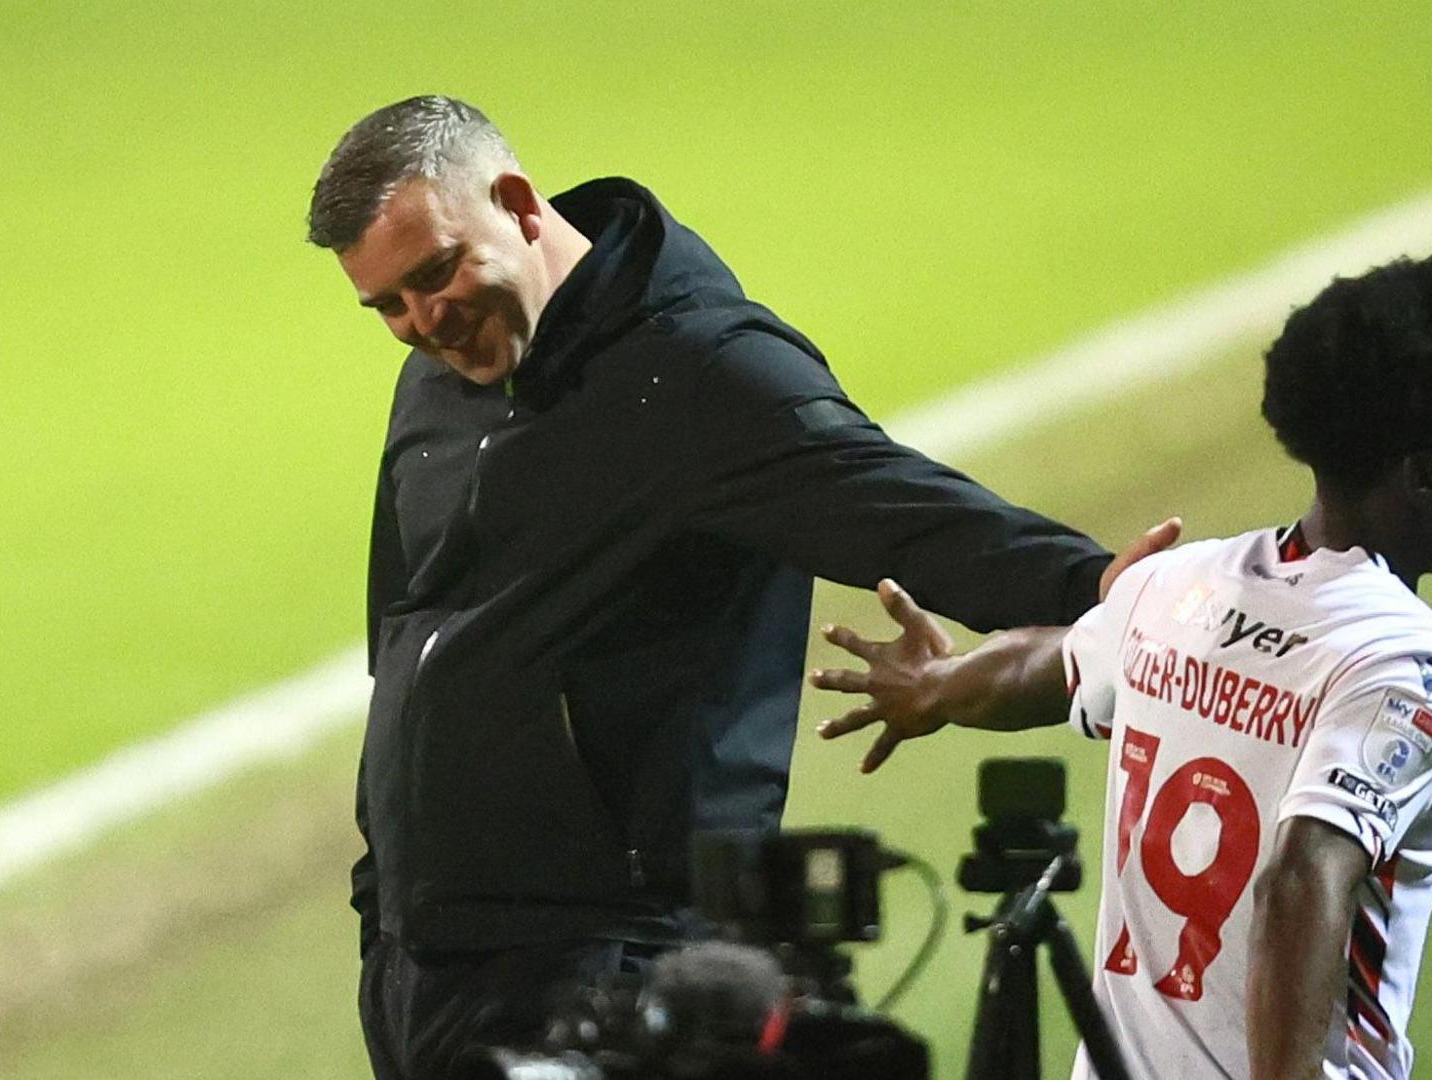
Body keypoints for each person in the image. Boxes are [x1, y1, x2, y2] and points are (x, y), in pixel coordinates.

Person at [306, 95, 1169, 1080]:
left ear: (515, 201)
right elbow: (412, 627)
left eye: (436, 274)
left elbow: (897, 504)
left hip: (601, 960)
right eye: (387, 306)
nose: (425, 320)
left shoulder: (696, 373)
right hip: (422, 956)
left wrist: (1108, 587)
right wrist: (388, 892)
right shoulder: (445, 367)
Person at [812, 254, 1432, 1079]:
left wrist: (938, 686)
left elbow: (1053, 666)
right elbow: (1301, 877)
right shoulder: (1406, 663)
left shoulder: (1175, 586)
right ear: (1424, 475)